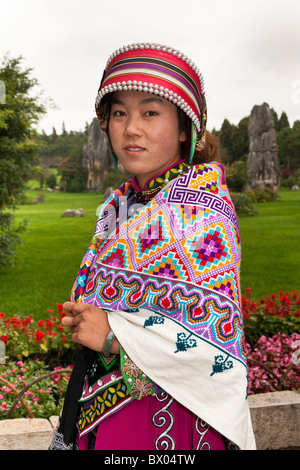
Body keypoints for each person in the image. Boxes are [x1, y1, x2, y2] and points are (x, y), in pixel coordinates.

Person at [50, 42, 256, 450]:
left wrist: (111, 337)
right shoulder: (123, 205)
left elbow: (216, 354)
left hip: (169, 425)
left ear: (184, 130)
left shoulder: (201, 214)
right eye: (119, 113)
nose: (130, 128)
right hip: (107, 412)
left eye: (150, 112)